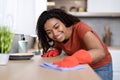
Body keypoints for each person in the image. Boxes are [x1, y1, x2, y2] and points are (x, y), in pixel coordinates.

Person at [36, 8, 113, 80]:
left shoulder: (81, 28)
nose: (55, 34)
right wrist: (56, 50)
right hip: (81, 66)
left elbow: (100, 52)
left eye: (56, 27)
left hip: (100, 67)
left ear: (63, 21)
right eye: (49, 32)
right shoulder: (58, 37)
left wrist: (76, 58)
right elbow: (59, 44)